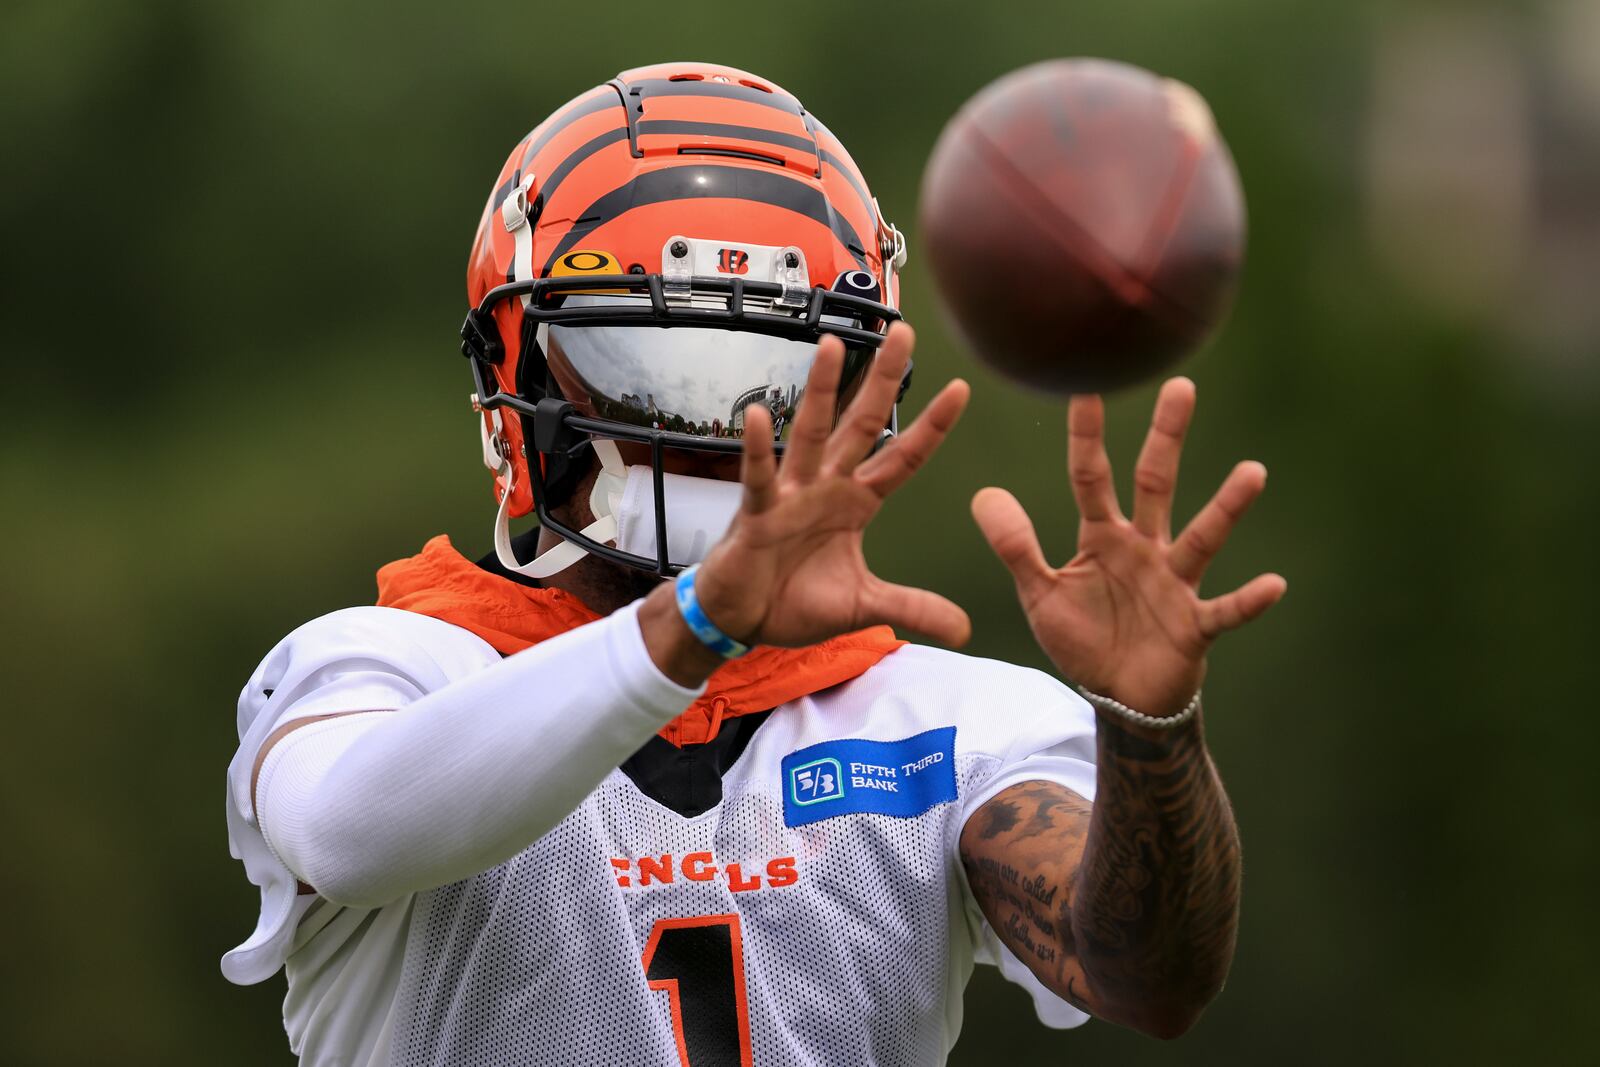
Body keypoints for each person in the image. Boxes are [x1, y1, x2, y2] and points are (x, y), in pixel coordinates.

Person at [222, 61, 1286, 1066]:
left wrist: (1154, 735)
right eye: (642, 362)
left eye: (773, 377)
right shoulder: (383, 663)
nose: (716, 432)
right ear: (520, 379)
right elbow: (353, 831)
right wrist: (692, 626)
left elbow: (1150, 982)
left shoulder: (940, 722)